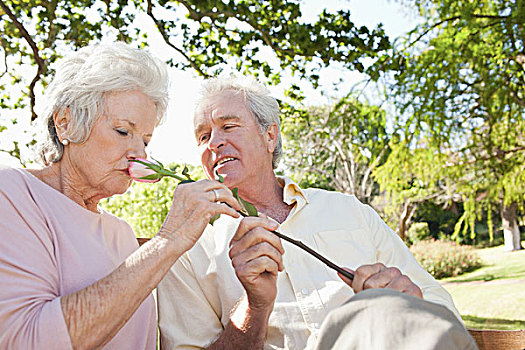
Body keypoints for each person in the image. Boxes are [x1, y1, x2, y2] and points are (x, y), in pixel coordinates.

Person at [157, 76, 478, 349]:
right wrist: (254, 307)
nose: (214, 142)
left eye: (228, 126)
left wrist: (411, 298)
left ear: (270, 136)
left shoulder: (348, 210)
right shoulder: (186, 249)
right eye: (203, 136)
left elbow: (440, 305)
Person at [0, 43, 242, 349]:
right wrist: (167, 240)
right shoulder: (12, 193)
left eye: (145, 139)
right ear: (65, 123)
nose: (138, 154)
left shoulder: (121, 233)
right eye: (123, 131)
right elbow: (26, 339)